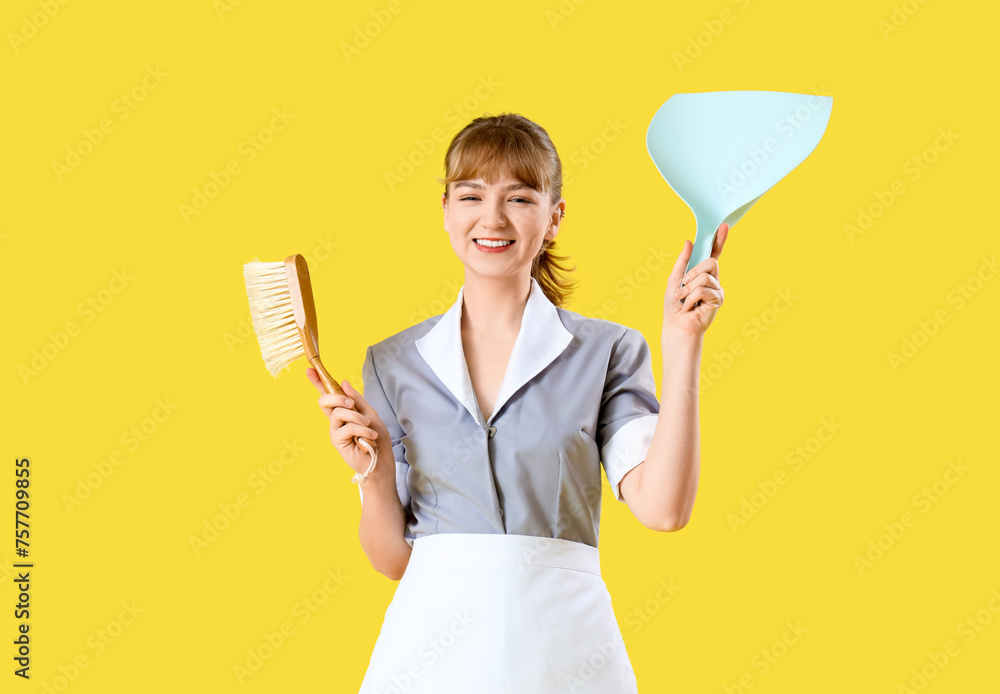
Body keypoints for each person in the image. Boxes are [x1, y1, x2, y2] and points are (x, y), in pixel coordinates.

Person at [306, 112, 728, 692]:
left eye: (520, 198)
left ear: (553, 218)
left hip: (567, 656)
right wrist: (373, 474)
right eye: (471, 195)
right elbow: (396, 562)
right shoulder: (391, 362)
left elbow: (663, 510)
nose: (492, 218)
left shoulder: (609, 351)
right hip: (429, 657)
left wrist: (682, 346)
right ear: (447, 213)